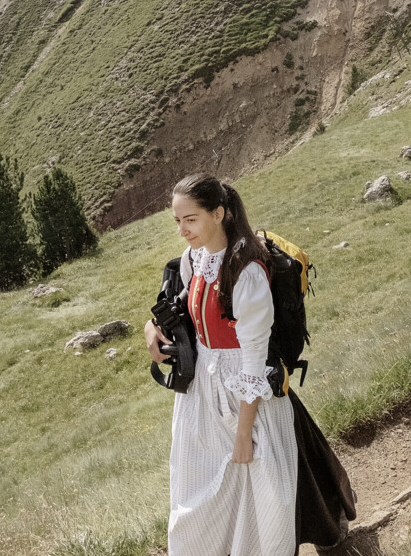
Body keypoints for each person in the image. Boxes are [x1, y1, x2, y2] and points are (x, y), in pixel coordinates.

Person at [146, 174, 297, 555]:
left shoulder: (247, 273)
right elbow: (181, 309)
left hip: (244, 399)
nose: (182, 230)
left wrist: (244, 434)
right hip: (201, 396)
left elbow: (254, 360)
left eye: (190, 220)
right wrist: (152, 328)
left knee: (257, 494)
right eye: (177, 221)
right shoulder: (193, 259)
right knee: (195, 499)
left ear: (219, 213)